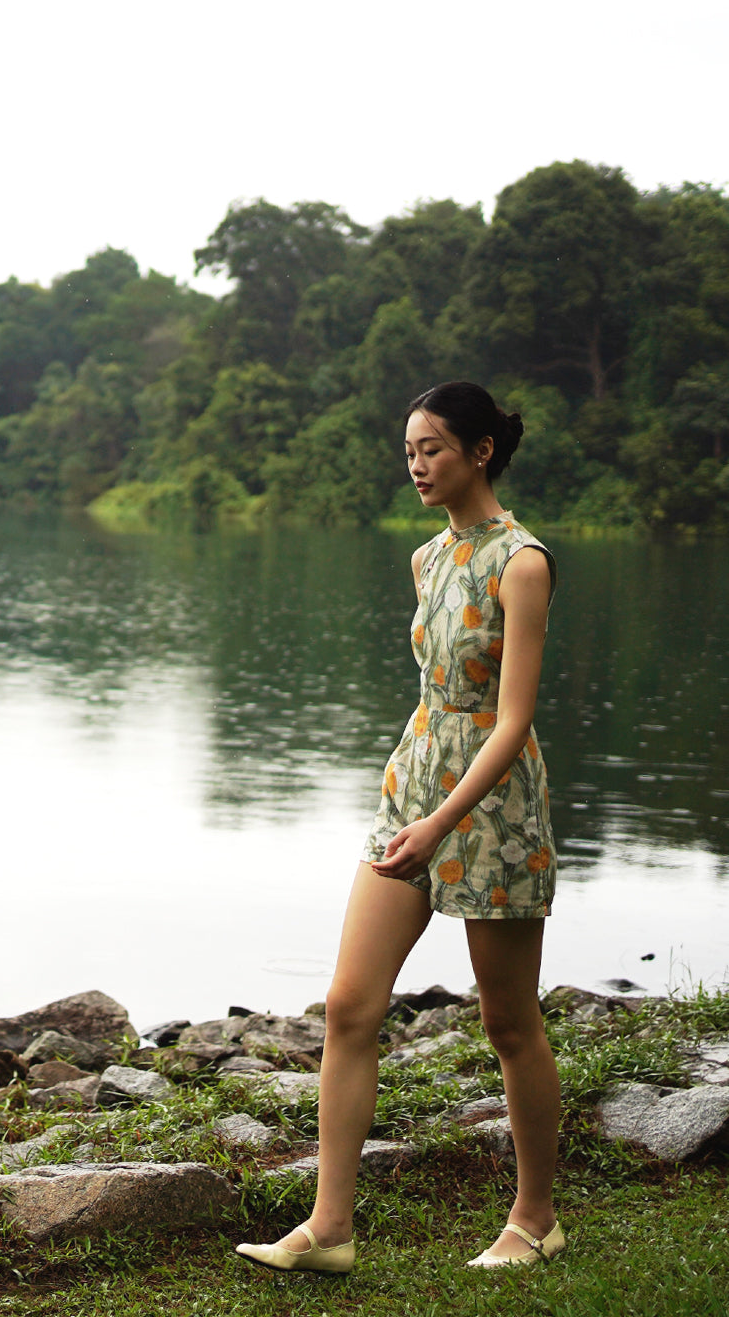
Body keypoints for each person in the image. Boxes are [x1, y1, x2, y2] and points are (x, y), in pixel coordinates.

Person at [237, 381, 564, 1273]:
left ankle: (534, 1218)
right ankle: (330, 1229)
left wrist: (443, 823)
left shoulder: (521, 561)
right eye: (410, 450)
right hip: (411, 790)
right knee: (349, 1006)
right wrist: (412, 813)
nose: (416, 464)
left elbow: (512, 720)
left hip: (491, 807)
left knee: (508, 1022)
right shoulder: (426, 560)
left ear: (480, 452)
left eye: (432, 449)